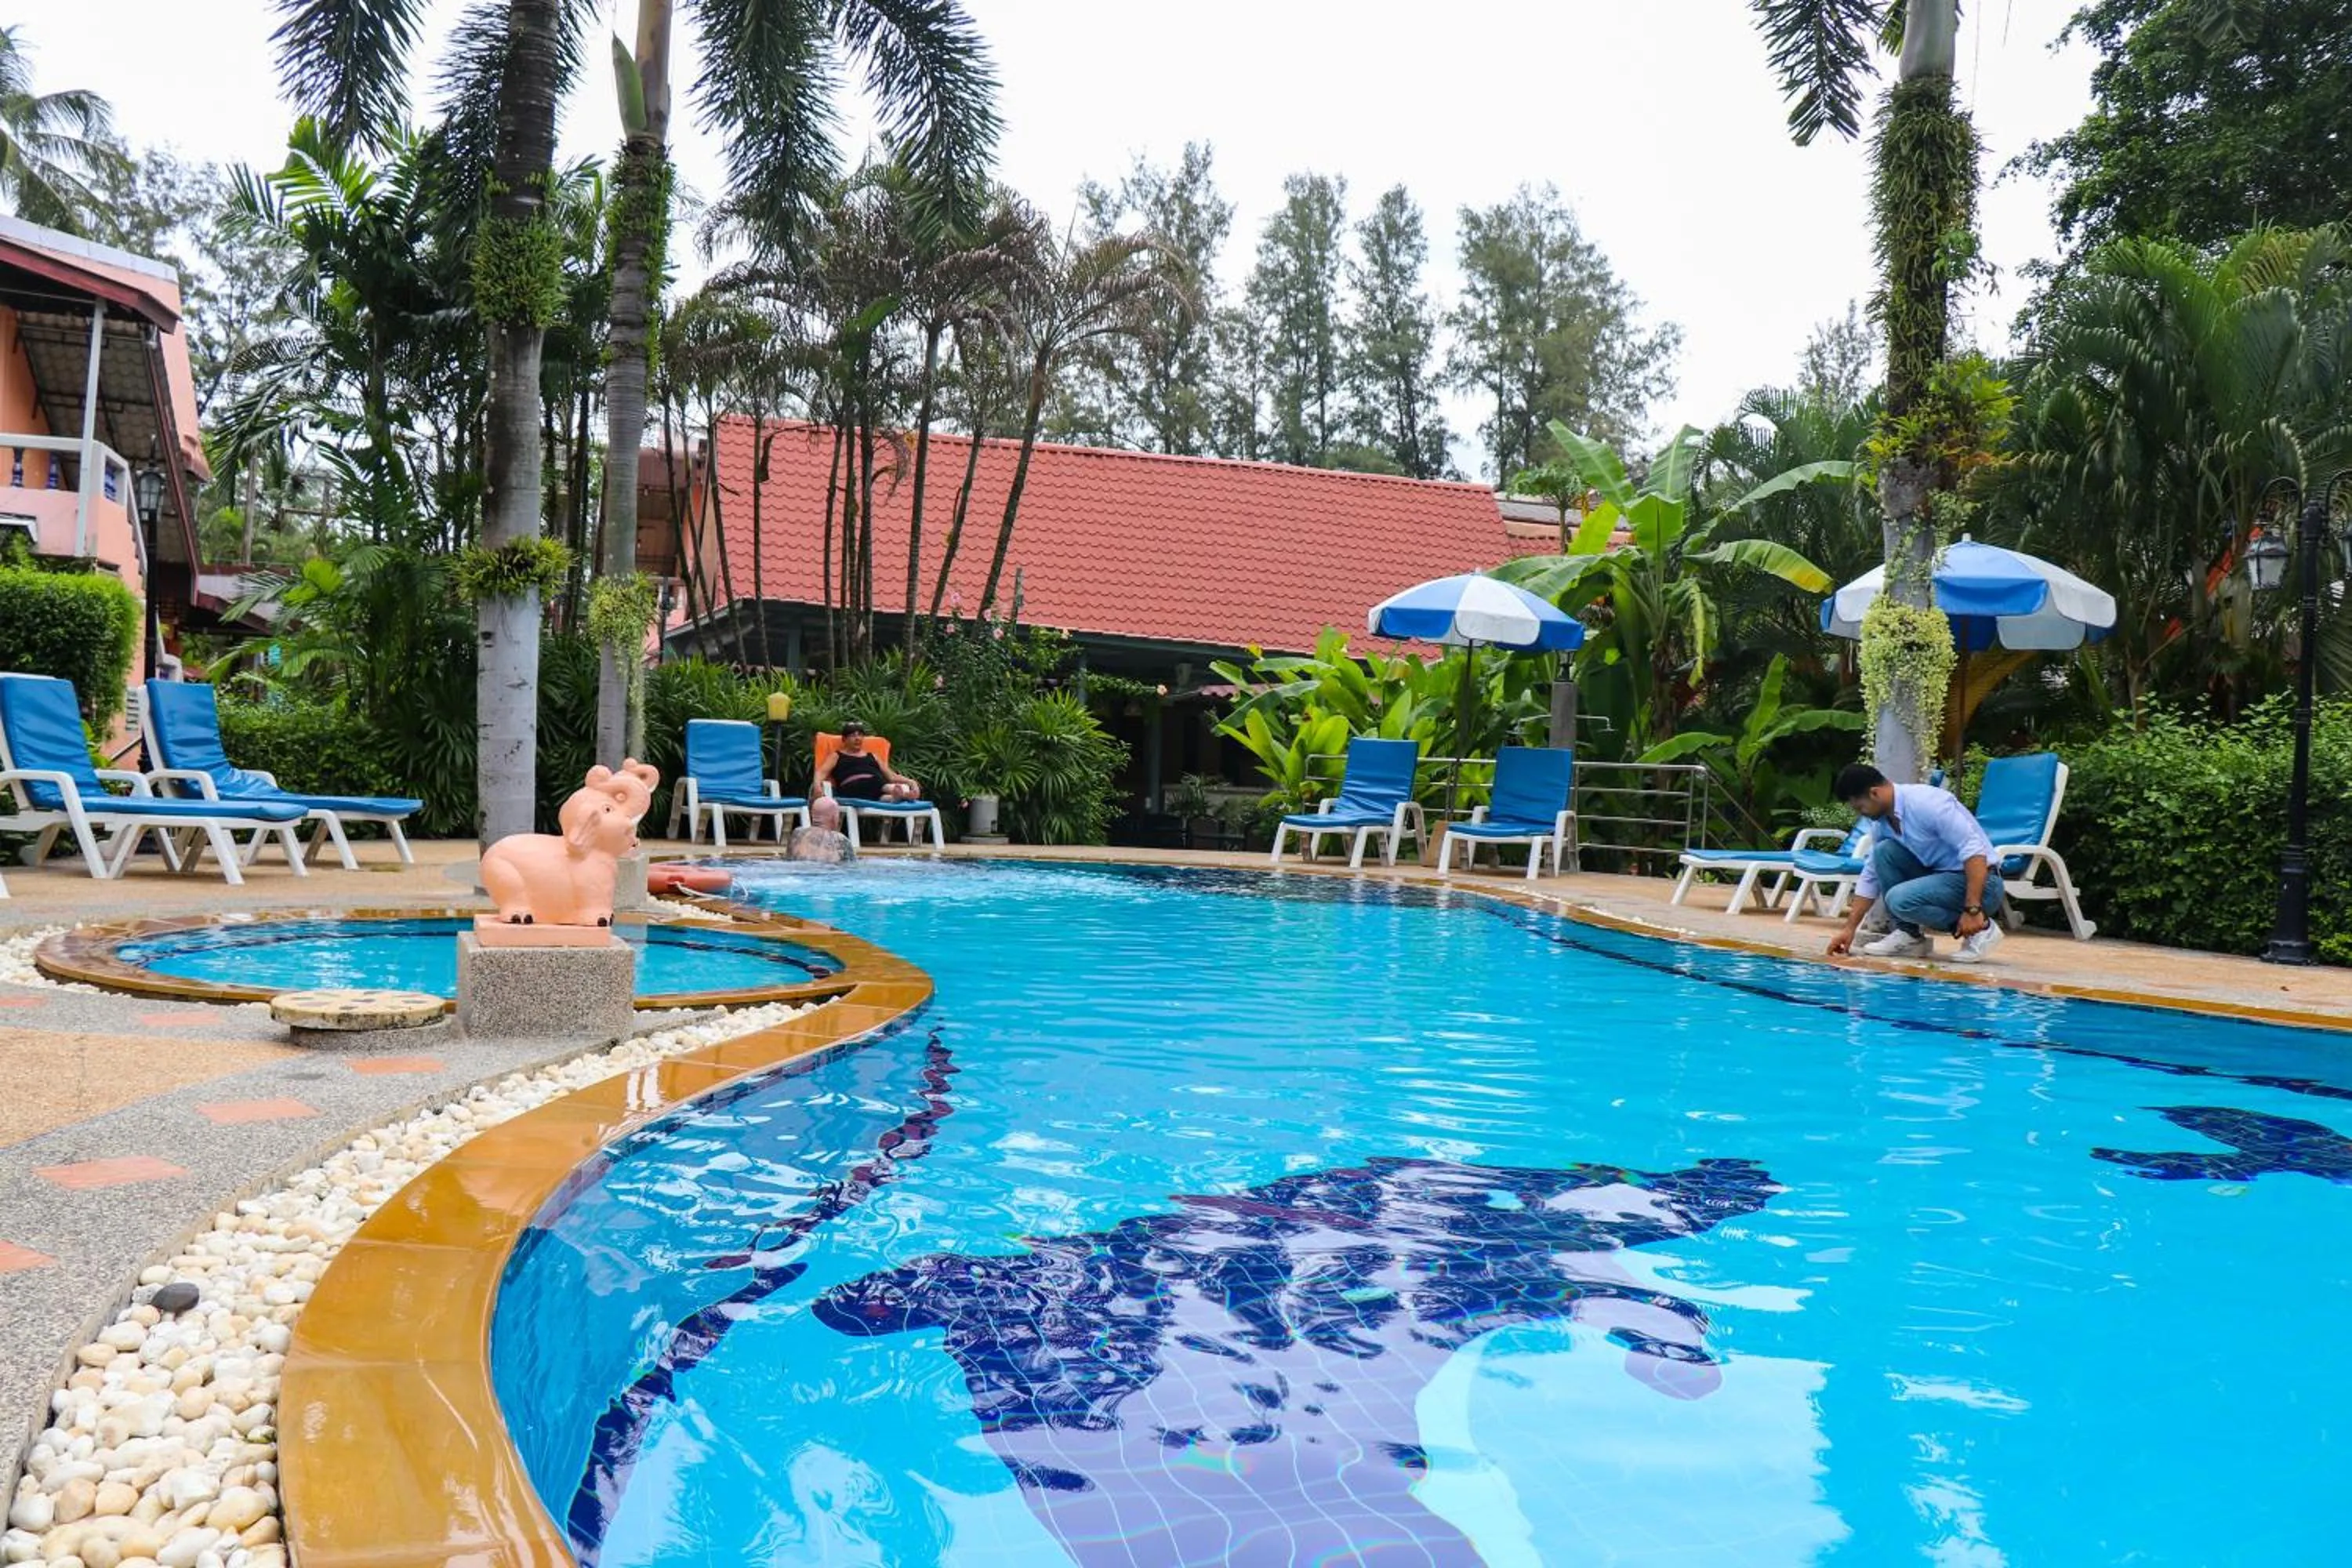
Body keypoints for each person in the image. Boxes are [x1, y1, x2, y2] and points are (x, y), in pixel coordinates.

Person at [1824, 762, 2006, 964]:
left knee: (1899, 899)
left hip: (1984, 884)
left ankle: (1982, 929)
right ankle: (1908, 935)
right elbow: (1871, 873)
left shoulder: (1927, 804)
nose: (1861, 814)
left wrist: (1973, 909)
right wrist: (1849, 929)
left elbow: (1975, 852)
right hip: (1942, 878)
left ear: (1875, 793)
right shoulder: (1882, 823)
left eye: (1860, 807)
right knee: (1884, 852)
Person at [809, 720, 922, 833]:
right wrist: (817, 786)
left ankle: (896, 797)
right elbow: (821, 772)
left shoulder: (872, 756)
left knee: (882, 795)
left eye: (860, 735)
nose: (857, 738)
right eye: (853, 735)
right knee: (882, 785)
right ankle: (901, 793)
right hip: (852, 788)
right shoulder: (837, 756)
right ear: (844, 739)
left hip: (875, 789)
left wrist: (911, 781)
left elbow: (892, 776)